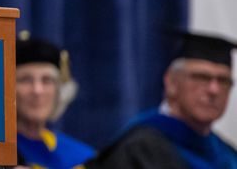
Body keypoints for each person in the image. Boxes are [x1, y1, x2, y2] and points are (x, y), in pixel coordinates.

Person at [86, 31, 237, 169]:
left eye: (223, 81)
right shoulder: (137, 150)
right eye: (201, 77)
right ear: (171, 83)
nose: (214, 90)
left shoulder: (229, 156)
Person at [15, 31, 95, 169]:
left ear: (60, 90)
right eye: (25, 80)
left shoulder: (82, 157)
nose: (37, 90)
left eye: (47, 80)